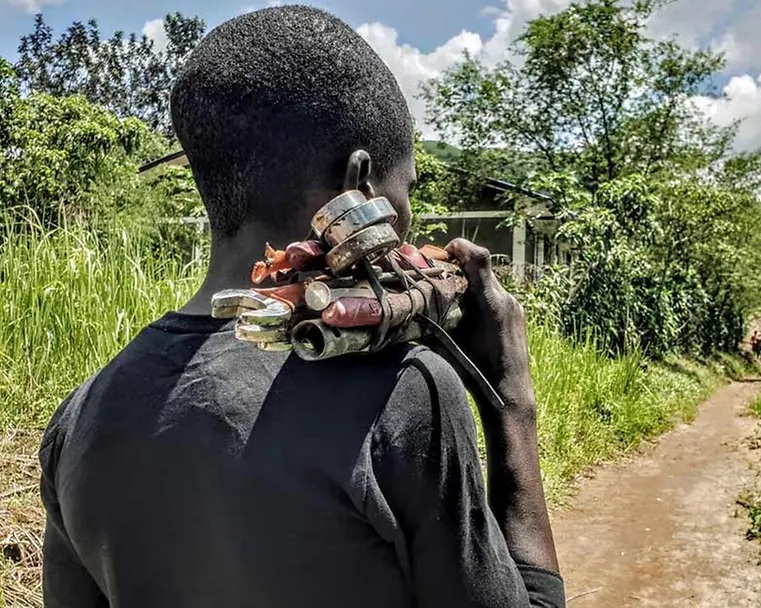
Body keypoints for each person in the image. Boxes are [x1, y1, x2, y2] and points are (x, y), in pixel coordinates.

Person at [37, 6, 565, 607]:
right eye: (408, 190)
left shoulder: (77, 421)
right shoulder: (405, 394)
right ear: (359, 184)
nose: (411, 217)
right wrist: (510, 402)